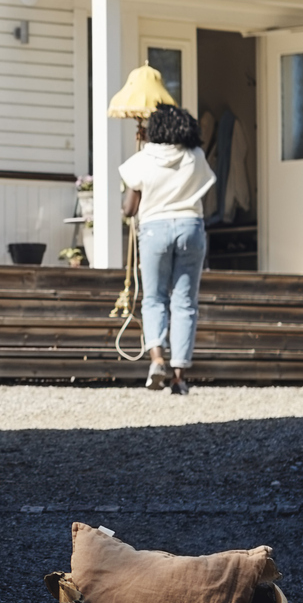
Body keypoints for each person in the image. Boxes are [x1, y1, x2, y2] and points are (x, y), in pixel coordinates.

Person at [120, 103, 216, 395]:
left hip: (154, 230)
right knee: (185, 302)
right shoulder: (195, 156)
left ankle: (157, 359)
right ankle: (179, 377)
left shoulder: (142, 159)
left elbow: (129, 209)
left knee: (154, 299)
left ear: (155, 129)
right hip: (190, 227)